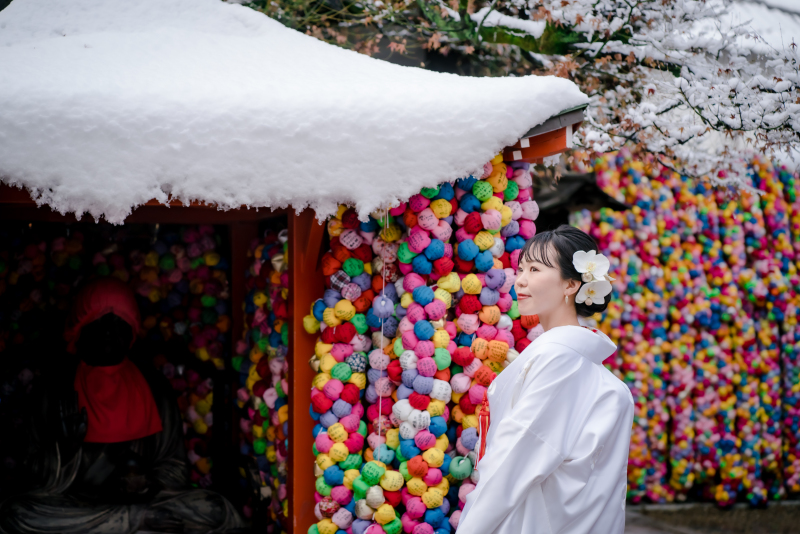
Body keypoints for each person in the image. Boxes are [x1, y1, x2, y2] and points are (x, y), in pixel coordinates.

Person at [0, 277, 244, 534]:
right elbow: (33, 477)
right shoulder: (53, 388)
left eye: (119, 323)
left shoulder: (155, 387)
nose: (108, 331)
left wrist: (146, 482)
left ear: (131, 333)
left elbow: (175, 469)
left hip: (143, 503)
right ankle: (133, 520)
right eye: (100, 322)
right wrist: (65, 451)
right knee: (14, 513)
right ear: (80, 328)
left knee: (218, 508)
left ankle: (131, 517)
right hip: (78, 508)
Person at [457, 225, 635, 534]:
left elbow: (517, 454)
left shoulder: (559, 357)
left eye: (535, 269)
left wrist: (472, 526)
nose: (521, 280)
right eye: (521, 267)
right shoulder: (575, 358)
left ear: (570, 284)